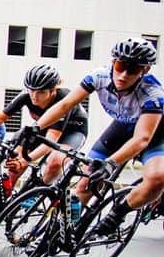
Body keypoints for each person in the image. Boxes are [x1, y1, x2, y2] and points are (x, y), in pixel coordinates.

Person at [26, 37, 164, 235]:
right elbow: (65, 105)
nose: (123, 75)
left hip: (155, 134)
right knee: (86, 182)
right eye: (120, 65)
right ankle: (61, 232)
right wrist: (36, 127)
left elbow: (142, 138)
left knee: (157, 179)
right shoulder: (99, 77)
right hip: (122, 126)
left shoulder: (153, 94)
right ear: (112, 62)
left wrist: (111, 162)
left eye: (132, 69)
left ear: (145, 71)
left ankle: (119, 212)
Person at [0, 64, 89, 229]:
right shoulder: (27, 95)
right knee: (13, 166)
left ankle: (37, 190)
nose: (34, 96)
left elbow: (51, 141)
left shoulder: (63, 99)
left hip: (72, 132)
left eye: (41, 92)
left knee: (55, 162)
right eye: (31, 90)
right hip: (41, 128)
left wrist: (26, 159)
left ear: (53, 90)